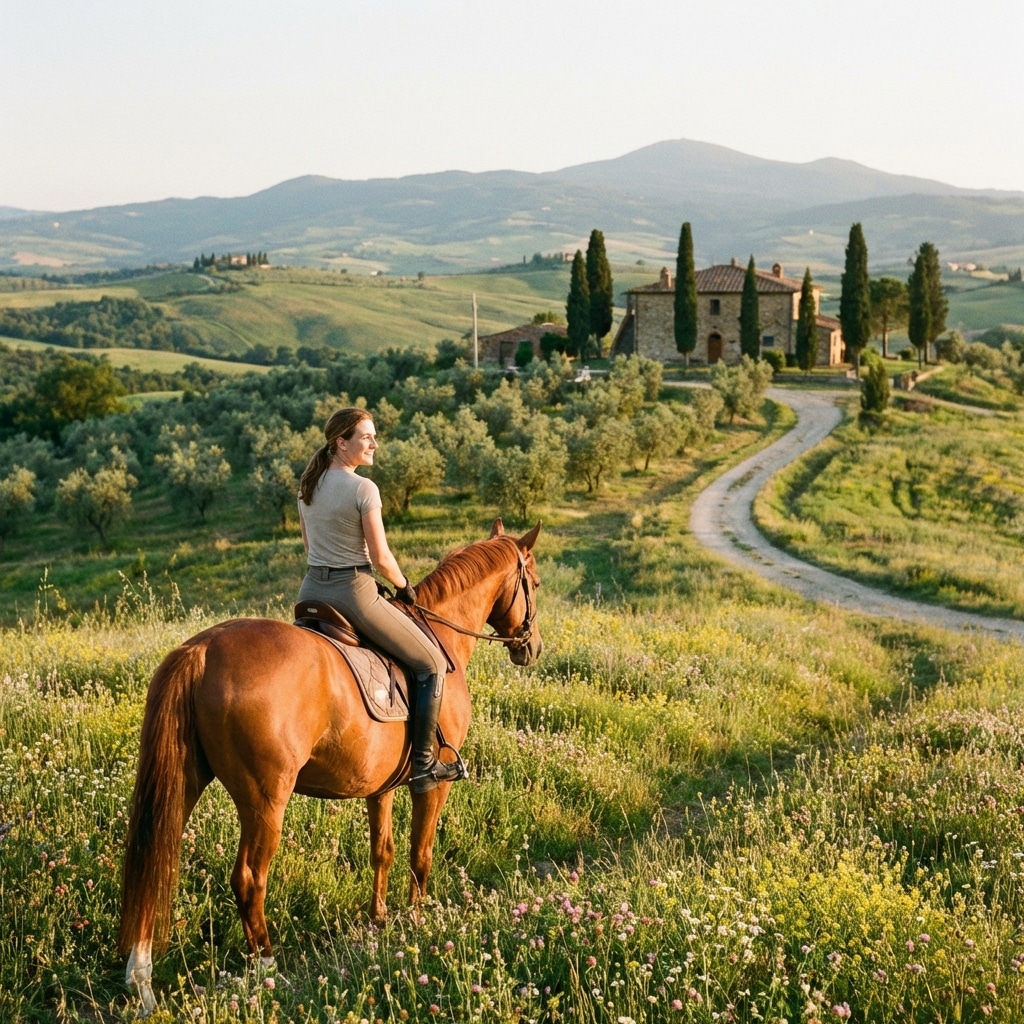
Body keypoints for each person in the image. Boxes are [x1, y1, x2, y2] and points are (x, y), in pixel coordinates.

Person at [297, 407, 466, 793]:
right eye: (366, 436)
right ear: (342, 443)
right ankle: (424, 765)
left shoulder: (308, 485)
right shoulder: (363, 489)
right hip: (353, 592)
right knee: (432, 663)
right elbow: (381, 557)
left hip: (311, 592)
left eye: (374, 436)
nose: (374, 442)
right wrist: (405, 585)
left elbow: (309, 547)